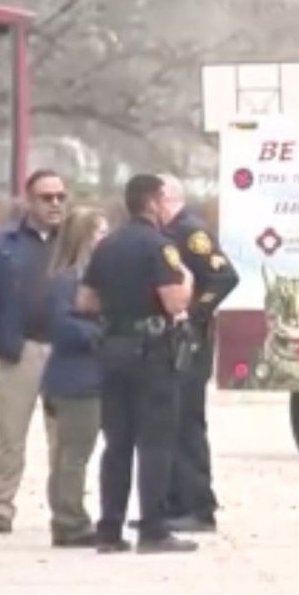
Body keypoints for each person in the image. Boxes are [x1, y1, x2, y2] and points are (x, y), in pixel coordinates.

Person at [75, 173, 198, 554]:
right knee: (155, 442)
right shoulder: (160, 247)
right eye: (164, 200)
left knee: (117, 443)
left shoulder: (107, 246)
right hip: (151, 353)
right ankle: (153, 529)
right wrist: (188, 280)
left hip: (112, 351)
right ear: (153, 201)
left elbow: (85, 302)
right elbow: (175, 302)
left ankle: (110, 529)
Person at [0, 169, 67, 533]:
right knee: (10, 437)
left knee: (63, 439)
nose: (55, 203)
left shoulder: (73, 243)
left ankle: (65, 508)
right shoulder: (3, 245)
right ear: (29, 201)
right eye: (46, 197)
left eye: (60, 196)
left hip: (63, 351)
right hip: (19, 350)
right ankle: (0, 507)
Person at [157, 173, 239, 532]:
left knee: (187, 422)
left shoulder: (191, 232)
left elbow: (224, 277)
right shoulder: (167, 234)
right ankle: (175, 502)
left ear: (164, 198)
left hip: (193, 340)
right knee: (171, 423)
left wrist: (194, 314)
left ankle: (198, 506)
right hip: (173, 340)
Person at [40, 206, 110, 547]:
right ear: (83, 237)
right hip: (76, 379)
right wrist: (102, 332)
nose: (106, 239)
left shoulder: (93, 279)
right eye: (99, 232)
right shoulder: (68, 281)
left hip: (88, 377)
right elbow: (63, 327)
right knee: (74, 452)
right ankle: (70, 520)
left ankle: (67, 516)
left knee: (72, 451)